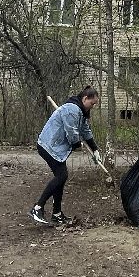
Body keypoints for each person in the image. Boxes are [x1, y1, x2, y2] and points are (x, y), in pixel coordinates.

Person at [30, 86, 101, 227]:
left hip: (56, 149)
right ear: (85, 98)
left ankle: (56, 214)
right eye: (92, 103)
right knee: (61, 176)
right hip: (48, 146)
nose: (92, 106)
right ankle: (37, 208)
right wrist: (76, 144)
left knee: (61, 178)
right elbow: (71, 131)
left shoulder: (81, 111)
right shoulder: (72, 109)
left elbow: (85, 131)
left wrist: (95, 149)